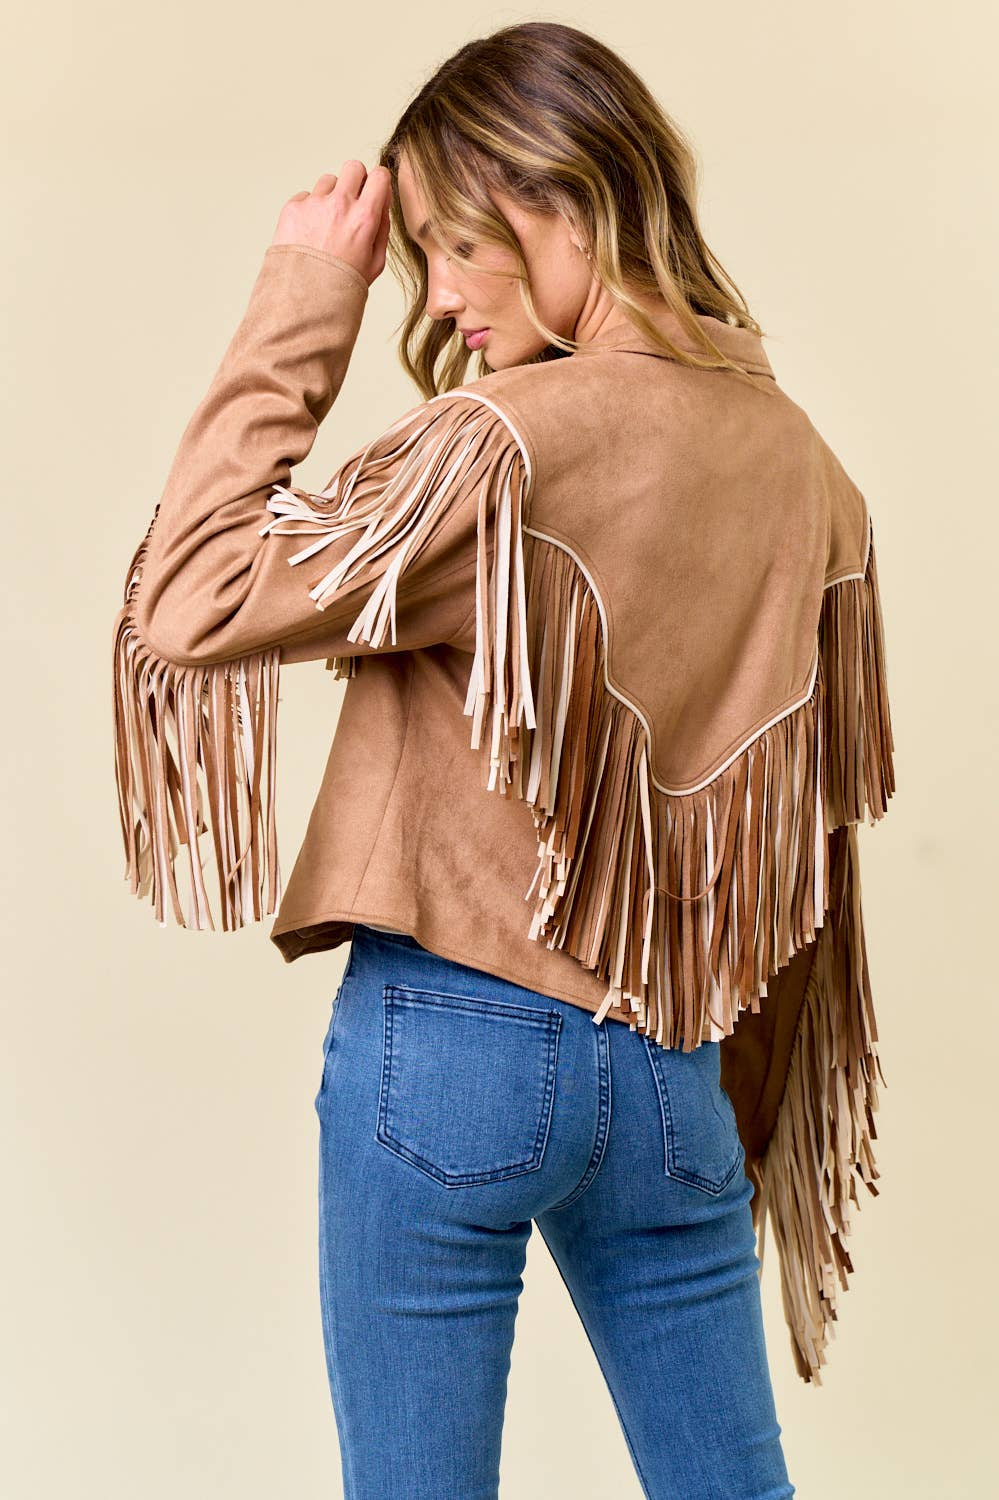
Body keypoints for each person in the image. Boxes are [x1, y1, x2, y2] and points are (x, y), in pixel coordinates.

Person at [112, 20, 896, 1500]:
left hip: (451, 1054)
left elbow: (190, 591)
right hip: (674, 1072)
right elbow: (804, 844)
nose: (440, 295)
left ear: (556, 194)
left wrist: (308, 293)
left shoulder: (500, 443)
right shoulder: (807, 469)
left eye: (448, 243)